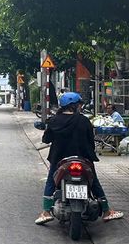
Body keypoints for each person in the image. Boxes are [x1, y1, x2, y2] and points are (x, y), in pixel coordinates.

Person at [36, 91, 123, 226]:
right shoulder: (84, 120)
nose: (80, 107)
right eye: (79, 105)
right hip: (83, 157)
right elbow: (91, 141)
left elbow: (46, 139)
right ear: (74, 106)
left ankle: (46, 212)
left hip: (59, 159)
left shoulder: (54, 121)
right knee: (94, 181)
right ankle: (106, 211)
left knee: (51, 181)